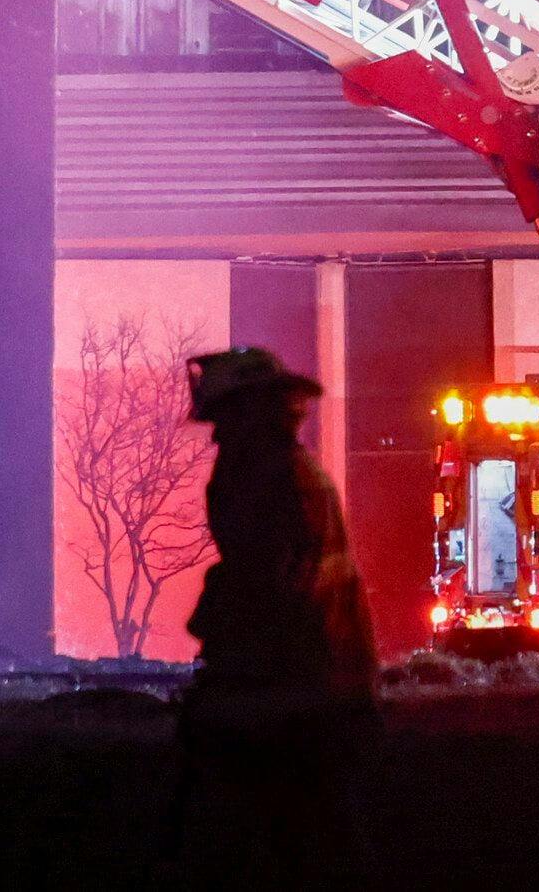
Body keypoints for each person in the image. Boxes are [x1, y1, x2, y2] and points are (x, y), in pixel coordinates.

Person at [175, 347, 376, 884]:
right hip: (320, 682)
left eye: (224, 419)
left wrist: (228, 658)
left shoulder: (266, 476)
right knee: (317, 838)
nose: (216, 436)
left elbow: (267, 585)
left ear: (254, 412)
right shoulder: (287, 470)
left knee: (279, 840)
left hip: (295, 688)